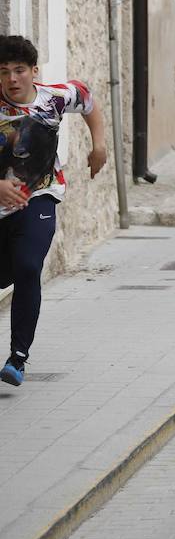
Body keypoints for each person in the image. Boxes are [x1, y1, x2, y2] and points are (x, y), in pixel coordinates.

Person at [0, 37, 105, 386]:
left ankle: (18, 357)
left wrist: (99, 145)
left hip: (39, 197)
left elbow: (87, 99)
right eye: (3, 73)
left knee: (29, 267)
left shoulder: (55, 98)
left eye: (19, 71)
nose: (12, 80)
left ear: (34, 72)